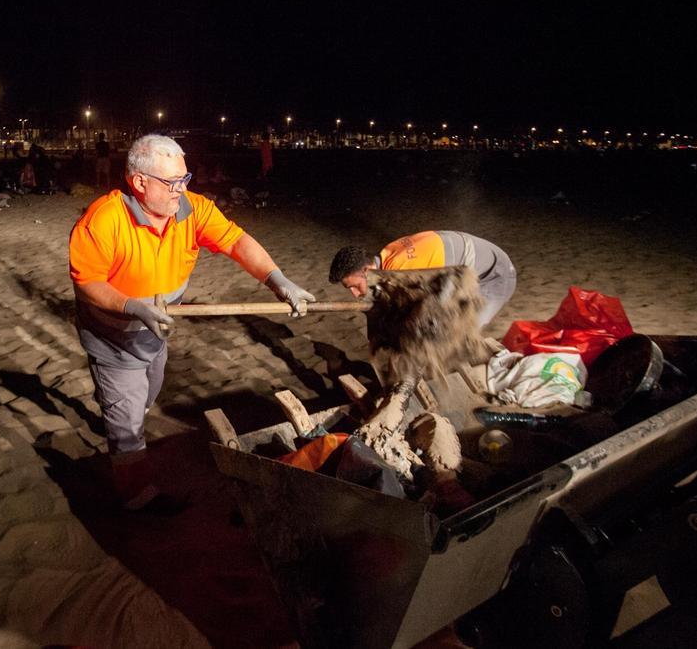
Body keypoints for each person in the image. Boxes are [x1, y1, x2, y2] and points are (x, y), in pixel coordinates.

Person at [69, 134, 314, 513]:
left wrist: (277, 280)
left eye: (185, 179)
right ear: (139, 182)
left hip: (155, 335)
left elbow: (236, 242)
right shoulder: (103, 220)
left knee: (150, 388)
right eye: (172, 183)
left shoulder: (191, 209)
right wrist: (132, 307)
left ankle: (118, 407)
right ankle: (137, 496)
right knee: (128, 421)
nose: (181, 190)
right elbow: (88, 283)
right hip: (113, 337)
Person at [329, 231, 516, 327]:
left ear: (367, 269)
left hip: (495, 275)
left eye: (355, 286)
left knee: (459, 330)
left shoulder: (402, 270)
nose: (355, 294)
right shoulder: (387, 256)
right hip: (467, 268)